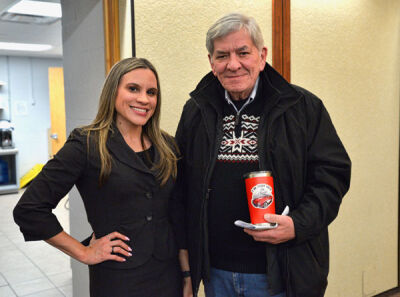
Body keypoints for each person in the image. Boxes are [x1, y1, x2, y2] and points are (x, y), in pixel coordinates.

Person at [175, 13, 351, 297]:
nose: (233, 64)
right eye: (222, 56)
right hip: (216, 274)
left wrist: (298, 224)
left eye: (243, 52)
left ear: (262, 55)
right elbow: (180, 186)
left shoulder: (302, 107)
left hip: (282, 273)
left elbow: (333, 177)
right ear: (211, 61)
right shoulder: (196, 111)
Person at [14, 57, 193, 297]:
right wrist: (83, 252)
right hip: (117, 278)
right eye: (133, 89)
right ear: (113, 91)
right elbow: (29, 209)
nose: (144, 99)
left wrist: (187, 274)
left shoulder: (167, 146)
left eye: (151, 92)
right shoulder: (86, 144)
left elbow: (177, 214)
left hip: (167, 274)